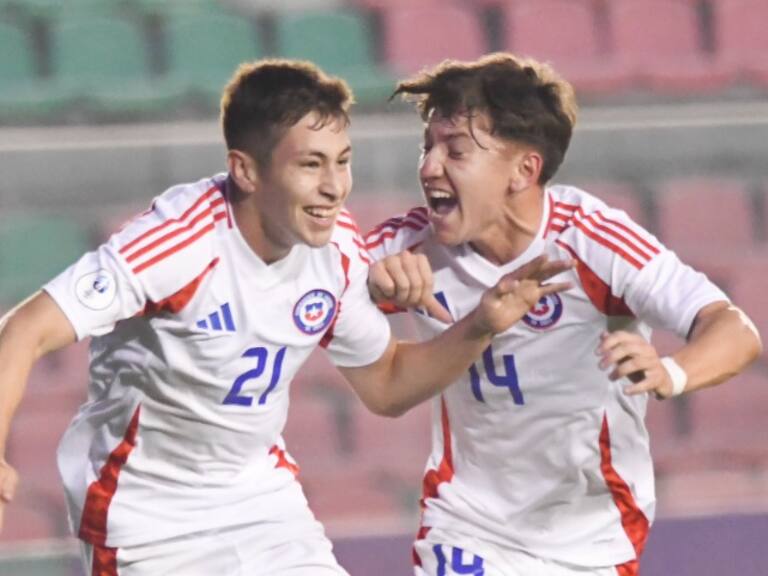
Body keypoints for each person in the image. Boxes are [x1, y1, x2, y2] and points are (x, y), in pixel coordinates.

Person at [0, 59, 573, 576]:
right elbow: (24, 330)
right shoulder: (178, 244)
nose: (333, 188)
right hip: (147, 517)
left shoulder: (336, 250)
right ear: (245, 171)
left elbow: (388, 385)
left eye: (342, 163)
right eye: (310, 165)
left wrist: (479, 326)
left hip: (263, 506)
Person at [365, 52, 762, 576]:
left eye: (455, 151)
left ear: (523, 170)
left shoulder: (592, 239)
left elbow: (734, 328)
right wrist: (367, 284)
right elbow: (304, 280)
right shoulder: (409, 246)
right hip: (468, 524)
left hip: (592, 535)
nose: (429, 166)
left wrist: (672, 371)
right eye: (428, 146)